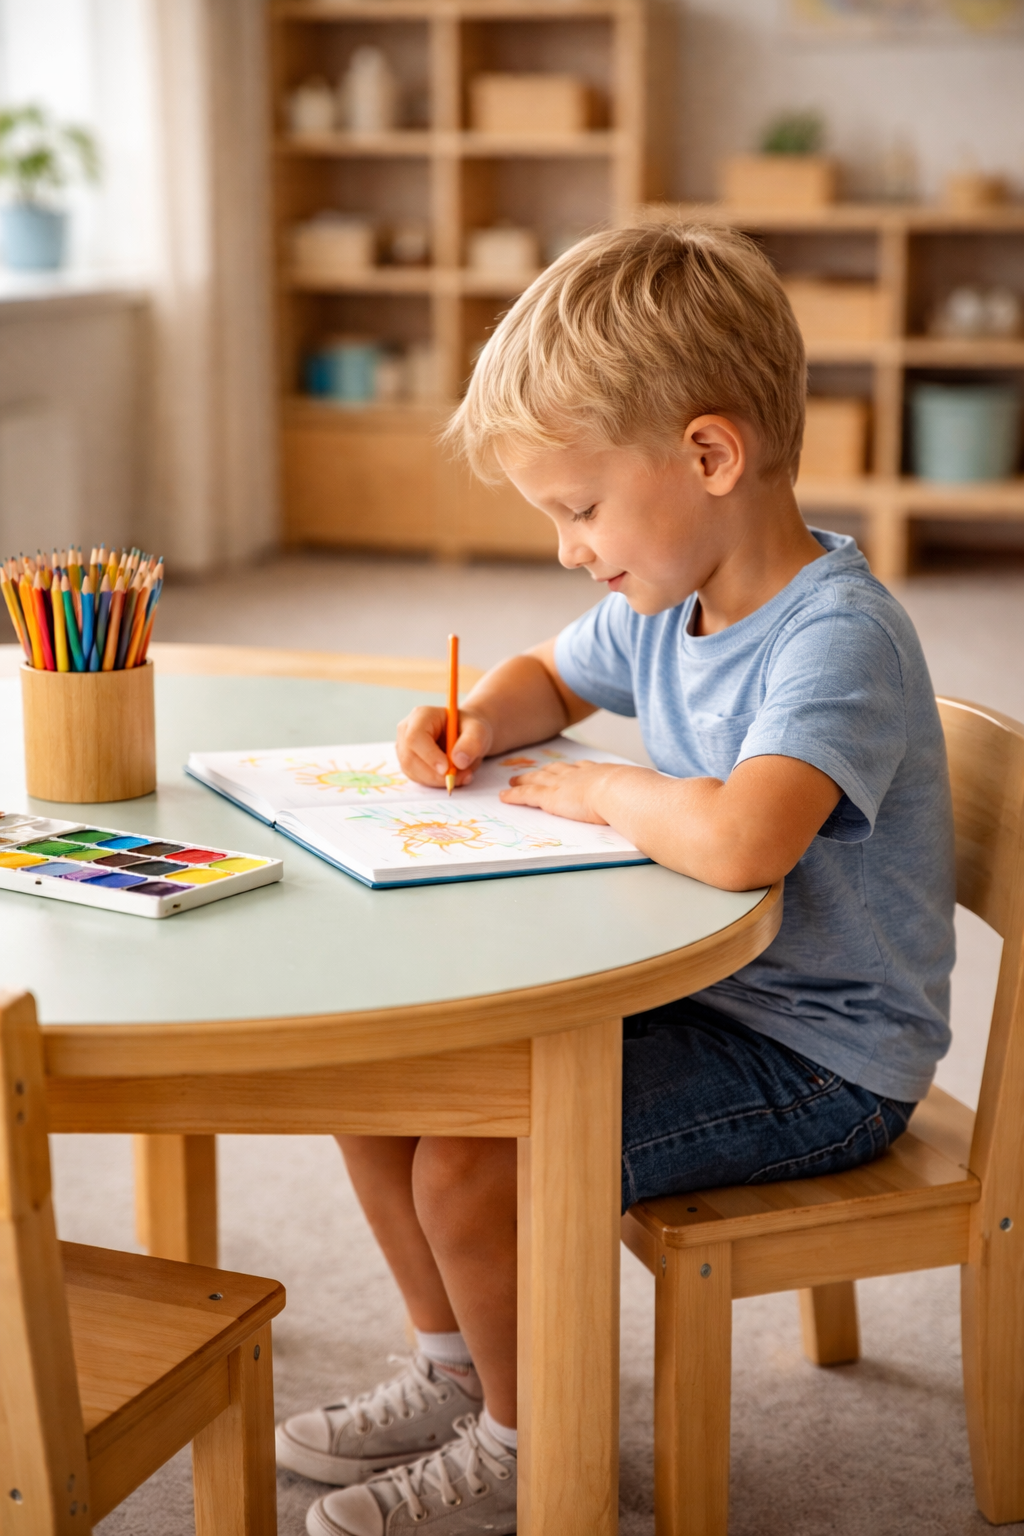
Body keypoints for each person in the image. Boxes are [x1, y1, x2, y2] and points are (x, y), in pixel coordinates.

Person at [279, 220, 956, 1536]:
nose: (570, 548)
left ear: (710, 456)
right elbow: (550, 673)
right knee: (390, 1080)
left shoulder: (837, 637)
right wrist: (477, 714)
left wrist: (605, 788)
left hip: (823, 1058)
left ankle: (539, 1443)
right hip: (716, 999)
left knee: (475, 1160)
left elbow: (740, 840)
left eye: (580, 509)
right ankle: (462, 1371)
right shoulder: (667, 594)